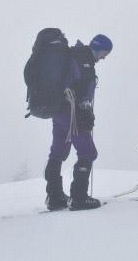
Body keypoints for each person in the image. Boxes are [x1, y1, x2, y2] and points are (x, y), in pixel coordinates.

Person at [44, 34, 113, 211]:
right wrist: (85, 112)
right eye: (104, 53)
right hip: (73, 114)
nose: (104, 57)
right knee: (88, 152)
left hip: (59, 112)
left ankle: (55, 197)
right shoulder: (84, 61)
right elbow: (80, 90)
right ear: (98, 48)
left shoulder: (73, 55)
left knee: (57, 152)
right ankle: (79, 198)